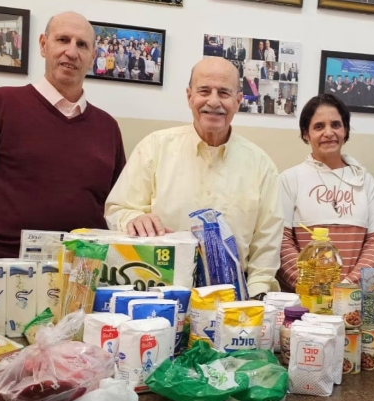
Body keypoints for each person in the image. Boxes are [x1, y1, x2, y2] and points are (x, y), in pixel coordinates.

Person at [0, 11, 126, 259]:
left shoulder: (108, 128)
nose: (71, 52)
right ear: (43, 45)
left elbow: (118, 204)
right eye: (63, 40)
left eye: (82, 45)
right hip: (6, 269)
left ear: (92, 57)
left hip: (85, 272)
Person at [104, 56, 284, 299]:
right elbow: (118, 208)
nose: (213, 101)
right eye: (204, 91)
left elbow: (266, 247)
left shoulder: (261, 166)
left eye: (223, 92)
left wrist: (253, 299)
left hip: (232, 303)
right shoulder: (155, 148)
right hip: (158, 296)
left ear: (238, 101)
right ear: (189, 96)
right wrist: (133, 218)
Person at [277, 94, 374, 291]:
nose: (329, 132)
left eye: (336, 125)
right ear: (305, 134)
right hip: (305, 298)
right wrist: (314, 287)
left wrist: (346, 287)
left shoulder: (365, 180)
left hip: (352, 298)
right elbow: (281, 241)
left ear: (345, 130)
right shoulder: (290, 179)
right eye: (319, 127)